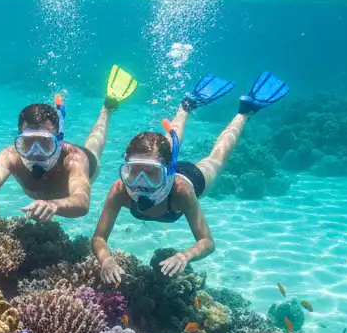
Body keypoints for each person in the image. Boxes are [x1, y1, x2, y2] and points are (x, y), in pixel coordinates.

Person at [91, 71, 290, 282]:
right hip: (164, 166)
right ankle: (186, 105)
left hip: (190, 177)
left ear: (168, 171)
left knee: (216, 159)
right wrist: (106, 259)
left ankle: (245, 112)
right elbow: (98, 237)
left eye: (151, 174)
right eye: (133, 171)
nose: (141, 183)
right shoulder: (120, 190)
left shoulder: (182, 191)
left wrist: (185, 256)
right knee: (166, 145)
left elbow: (207, 242)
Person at [0, 65, 137, 222]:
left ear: (59, 141)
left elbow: (82, 202)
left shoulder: (74, 158)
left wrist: (53, 205)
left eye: (45, 142)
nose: (36, 152)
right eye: (28, 142)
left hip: (88, 165)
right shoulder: (10, 156)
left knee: (94, 146)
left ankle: (107, 109)